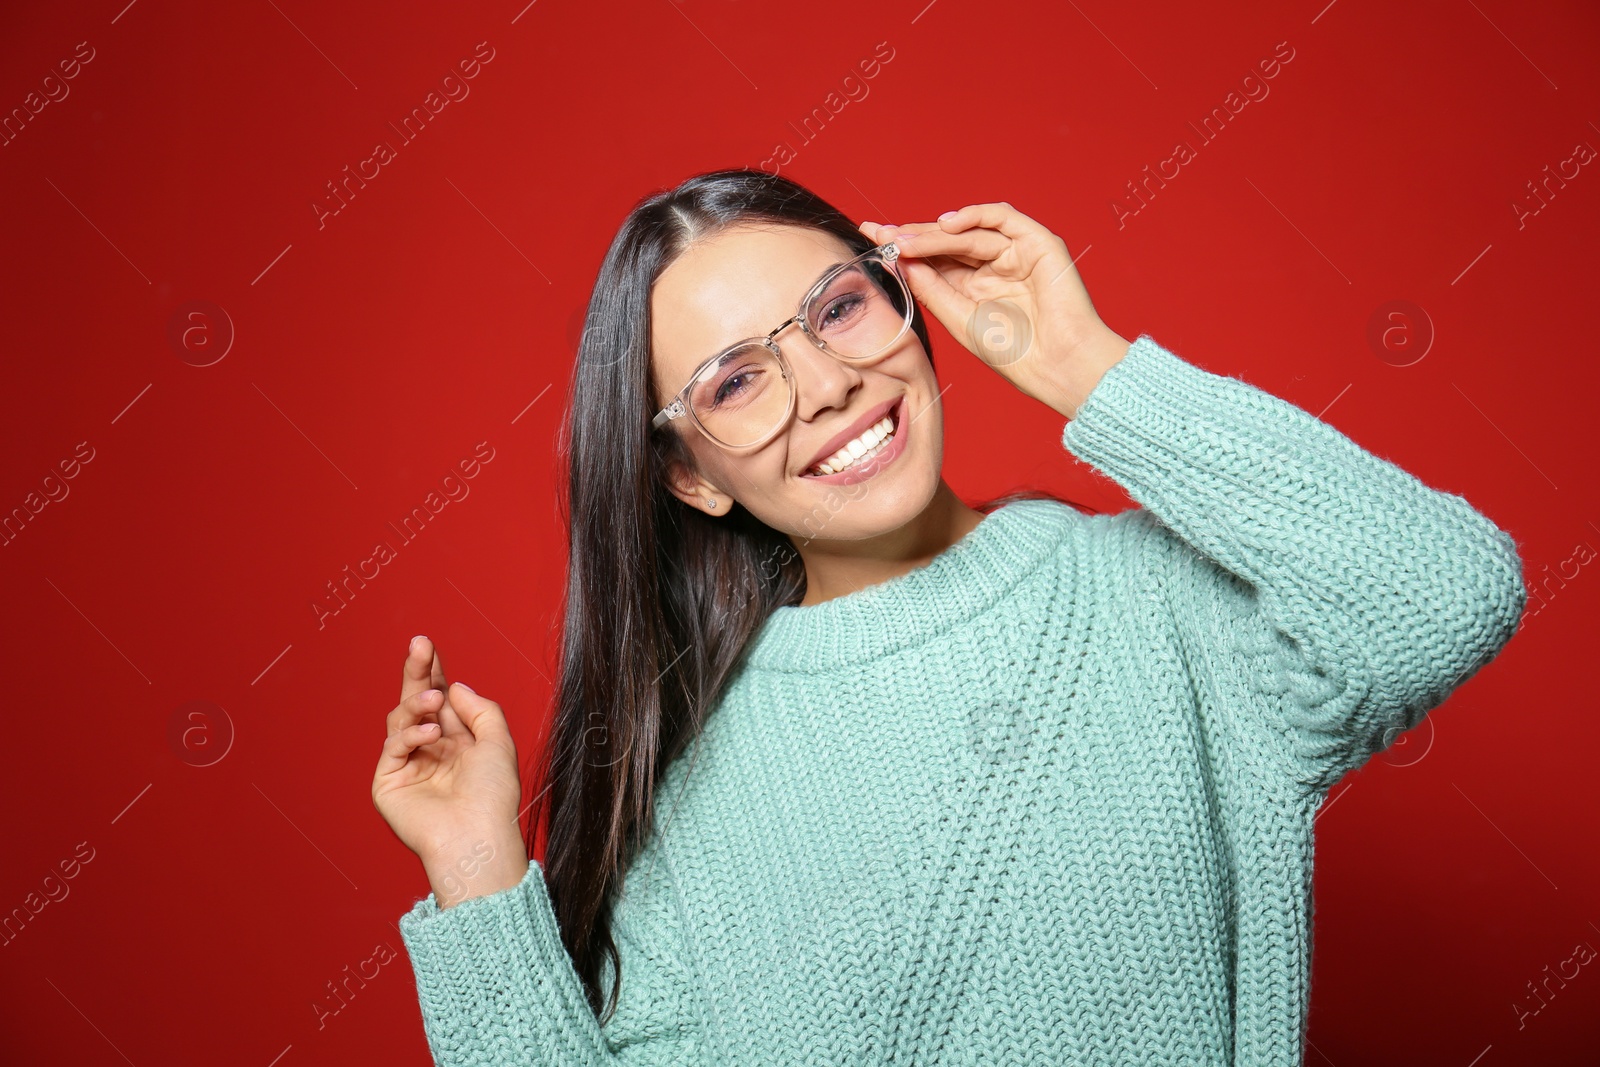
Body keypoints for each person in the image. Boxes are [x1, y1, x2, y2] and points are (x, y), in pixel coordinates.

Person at [372, 168, 1527, 1065]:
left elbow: (1440, 593)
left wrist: (1081, 361)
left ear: (906, 303)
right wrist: (475, 865)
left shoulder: (1152, 603)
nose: (824, 383)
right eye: (735, 380)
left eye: (836, 309)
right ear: (691, 477)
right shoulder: (684, 798)